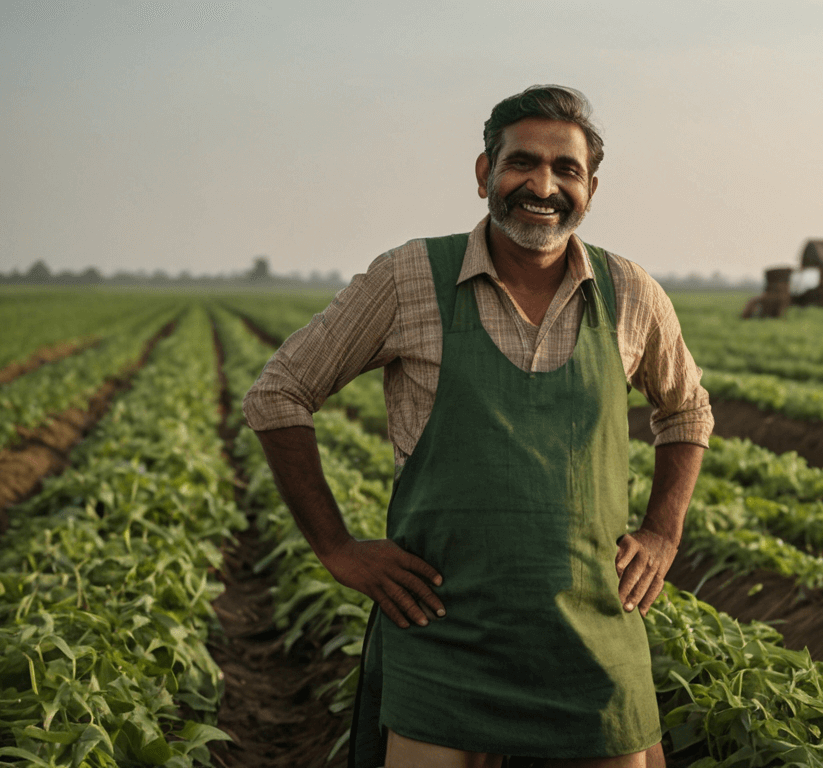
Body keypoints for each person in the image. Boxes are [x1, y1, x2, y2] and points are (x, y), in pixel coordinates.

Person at [243, 84, 713, 768]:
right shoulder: (410, 277)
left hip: (591, 641)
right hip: (443, 639)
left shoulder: (630, 293)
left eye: (566, 169)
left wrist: (664, 533)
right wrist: (337, 548)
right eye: (522, 162)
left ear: (592, 188)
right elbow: (278, 394)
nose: (542, 185)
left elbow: (686, 409)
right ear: (484, 173)